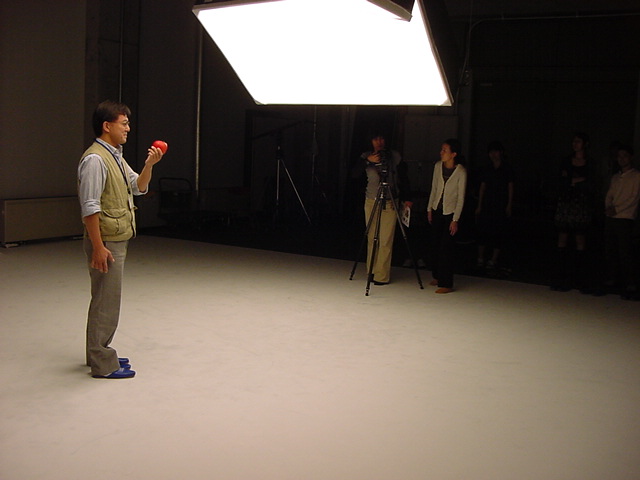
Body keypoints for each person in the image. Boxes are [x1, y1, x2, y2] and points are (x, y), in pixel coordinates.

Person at [78, 100, 164, 378]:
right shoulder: (95, 160)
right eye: (124, 123)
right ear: (107, 126)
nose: (128, 128)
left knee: (105, 298)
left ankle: (97, 354)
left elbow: (138, 186)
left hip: (114, 238)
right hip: (106, 242)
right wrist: (98, 247)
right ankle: (103, 363)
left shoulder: (114, 155)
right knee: (106, 301)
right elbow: (90, 207)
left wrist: (150, 164)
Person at [355, 132, 411, 285]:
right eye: (375, 139)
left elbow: (404, 178)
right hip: (372, 200)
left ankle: (382, 275)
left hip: (390, 200)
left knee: (386, 239)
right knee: (372, 237)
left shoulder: (394, 156)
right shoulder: (366, 156)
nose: (379, 142)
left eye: (381, 138)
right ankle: (371, 271)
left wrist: (407, 197)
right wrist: (368, 161)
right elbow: (354, 174)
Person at [551, 132, 594, 291]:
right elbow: (562, 181)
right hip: (566, 201)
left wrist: (572, 181)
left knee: (579, 238)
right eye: (573, 141)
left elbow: (591, 183)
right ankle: (561, 276)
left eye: (578, 141)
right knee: (562, 237)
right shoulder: (566, 161)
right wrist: (577, 181)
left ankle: (578, 277)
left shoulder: (590, 162)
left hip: (580, 203)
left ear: (585, 144)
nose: (575, 144)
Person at [427, 139, 467, 293]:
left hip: (450, 212)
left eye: (445, 150)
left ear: (453, 154)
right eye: (442, 149)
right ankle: (437, 275)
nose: (441, 152)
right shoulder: (438, 166)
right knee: (435, 244)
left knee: (446, 247)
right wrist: (429, 208)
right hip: (437, 208)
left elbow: (461, 197)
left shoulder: (461, 171)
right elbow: (434, 188)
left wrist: (455, 219)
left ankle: (446, 283)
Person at [603, 144, 640, 299]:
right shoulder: (616, 177)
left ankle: (630, 281)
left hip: (625, 217)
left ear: (631, 157)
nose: (621, 159)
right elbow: (609, 195)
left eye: (624, 156)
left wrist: (616, 209)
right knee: (611, 249)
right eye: (619, 156)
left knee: (625, 251)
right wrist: (608, 207)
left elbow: (634, 197)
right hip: (612, 217)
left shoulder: (636, 176)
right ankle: (612, 278)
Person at [475, 141, 514, 272]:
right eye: (491, 152)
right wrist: (479, 205)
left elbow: (510, 187)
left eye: (495, 151)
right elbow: (482, 187)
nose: (493, 154)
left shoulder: (507, 168)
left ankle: (493, 259)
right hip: (487, 202)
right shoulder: (487, 168)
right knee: (483, 230)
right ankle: (480, 258)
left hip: (500, 203)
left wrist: (509, 204)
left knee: (498, 231)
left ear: (500, 152)